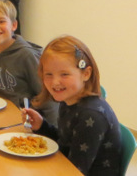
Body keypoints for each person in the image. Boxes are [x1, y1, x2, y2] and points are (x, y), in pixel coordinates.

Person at [23, 35, 122, 176]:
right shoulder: (68, 100)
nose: (55, 82)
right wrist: (42, 126)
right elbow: (66, 142)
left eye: (64, 74)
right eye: (49, 74)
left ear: (86, 74)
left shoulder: (91, 115)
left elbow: (74, 171)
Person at [0, 0, 58, 125]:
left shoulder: (26, 55)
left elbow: (47, 97)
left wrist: (54, 133)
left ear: (14, 25)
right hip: (3, 114)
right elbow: (3, 87)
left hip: (29, 121)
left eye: (1, 21)